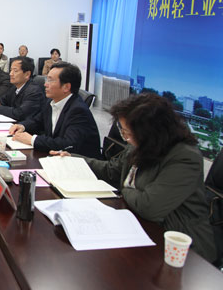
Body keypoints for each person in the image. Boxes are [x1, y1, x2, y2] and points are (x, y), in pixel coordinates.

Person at [51, 93, 217, 262]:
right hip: (137, 225)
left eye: (128, 133)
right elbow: (112, 171)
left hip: (180, 248)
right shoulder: (141, 144)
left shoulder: (185, 157)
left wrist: (125, 187)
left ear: (151, 132)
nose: (126, 138)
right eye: (123, 132)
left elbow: (149, 206)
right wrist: (74, 159)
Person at [9, 62, 101, 159]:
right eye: (46, 79)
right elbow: (37, 121)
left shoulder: (78, 110)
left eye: (50, 80)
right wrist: (22, 126)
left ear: (66, 87)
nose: (45, 84)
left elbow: (68, 144)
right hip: (55, 157)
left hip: (80, 163)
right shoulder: (51, 102)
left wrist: (33, 140)